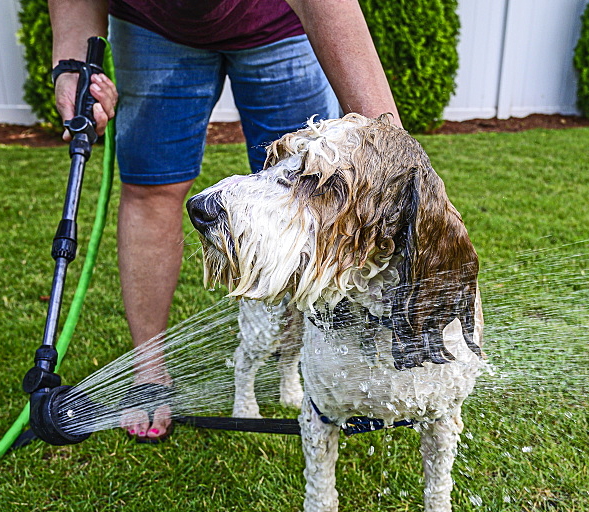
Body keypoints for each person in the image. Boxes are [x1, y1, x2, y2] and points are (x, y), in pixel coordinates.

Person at [48, 0, 400, 443]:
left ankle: (326, 362)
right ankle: (149, 369)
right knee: (151, 187)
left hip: (277, 23)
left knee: (313, 185)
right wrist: (71, 65)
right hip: (155, 28)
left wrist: (388, 148)